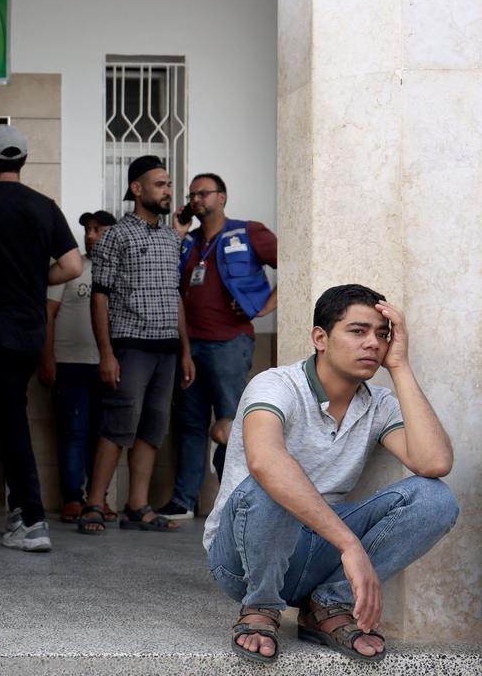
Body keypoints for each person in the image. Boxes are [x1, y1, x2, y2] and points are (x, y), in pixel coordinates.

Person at [205, 285, 456, 664]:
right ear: (320, 338)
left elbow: (434, 462)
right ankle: (261, 606)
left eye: (382, 334)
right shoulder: (276, 385)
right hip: (243, 558)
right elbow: (266, 462)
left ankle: (328, 604)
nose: (373, 343)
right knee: (270, 482)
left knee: (436, 498)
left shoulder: (378, 404)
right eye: (358, 331)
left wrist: (400, 366)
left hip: (316, 551)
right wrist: (349, 545)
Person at [0, 124, 81, 552]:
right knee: (7, 416)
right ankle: (21, 512)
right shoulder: (44, 206)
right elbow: (74, 266)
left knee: (5, 421)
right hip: (26, 331)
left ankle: (31, 517)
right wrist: (33, 277)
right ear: (21, 162)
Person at [77, 155, 195, 535]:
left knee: (151, 429)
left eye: (168, 184)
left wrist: (186, 350)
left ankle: (137, 506)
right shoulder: (116, 236)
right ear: (137, 189)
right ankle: (94, 504)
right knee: (117, 425)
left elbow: (175, 295)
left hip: (166, 349)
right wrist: (106, 354)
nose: (167, 190)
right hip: (130, 346)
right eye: (160, 184)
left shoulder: (169, 238)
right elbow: (100, 297)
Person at [160, 173, 278, 519]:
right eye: (192, 195)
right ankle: (183, 501)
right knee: (190, 426)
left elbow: (298, 262)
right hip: (189, 347)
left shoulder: (248, 231)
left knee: (232, 426)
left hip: (230, 344)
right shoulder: (187, 240)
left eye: (204, 194)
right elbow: (172, 288)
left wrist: (264, 307)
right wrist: (177, 231)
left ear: (222, 197)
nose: (197, 200)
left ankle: (232, 502)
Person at [40, 210, 116, 525]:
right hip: (69, 364)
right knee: (74, 432)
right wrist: (46, 358)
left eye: (98, 230)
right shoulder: (69, 269)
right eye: (88, 229)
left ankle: (97, 500)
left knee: (104, 435)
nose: (90, 235)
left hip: (108, 367)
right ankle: (72, 498)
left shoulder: (119, 270)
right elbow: (48, 314)